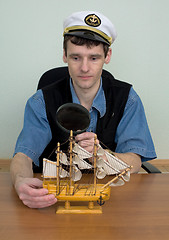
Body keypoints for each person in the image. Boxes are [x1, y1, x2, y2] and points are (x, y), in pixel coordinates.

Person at [10, 11, 156, 208]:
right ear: (64, 55)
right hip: (55, 200)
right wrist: (20, 181)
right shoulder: (41, 101)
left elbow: (136, 161)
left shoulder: (127, 98)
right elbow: (23, 156)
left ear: (108, 56)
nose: (85, 68)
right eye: (76, 57)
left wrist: (104, 156)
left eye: (94, 58)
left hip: (110, 200)